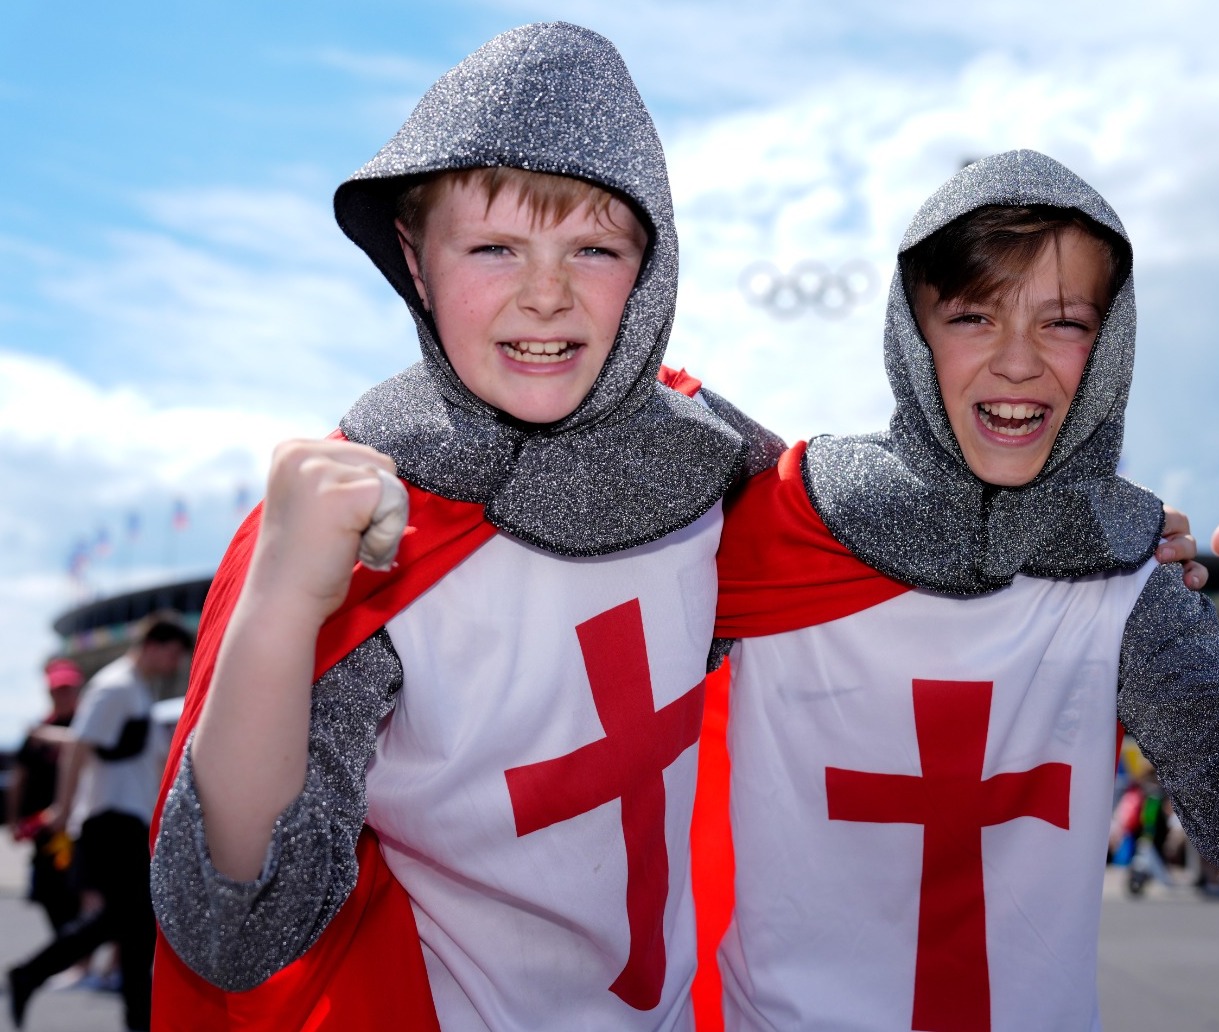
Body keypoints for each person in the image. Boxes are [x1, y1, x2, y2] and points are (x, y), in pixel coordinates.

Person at [147, 22, 793, 1032]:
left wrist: (1093, 533)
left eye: (593, 247)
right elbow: (237, 925)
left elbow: (888, 551)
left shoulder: (713, 465)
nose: (546, 291)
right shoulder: (371, 515)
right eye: (495, 246)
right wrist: (279, 607)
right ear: (414, 256)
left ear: (651, 265)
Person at [709, 150, 1219, 1029]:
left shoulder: (1128, 578)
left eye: (1063, 322)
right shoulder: (783, 525)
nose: (1019, 361)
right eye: (972, 317)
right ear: (912, 333)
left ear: (1107, 348)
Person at [8, 615, 191, 1032]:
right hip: (110, 819)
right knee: (133, 919)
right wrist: (62, 807)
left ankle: (134, 1016)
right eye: (175, 654)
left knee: (132, 923)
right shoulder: (115, 687)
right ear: (157, 646)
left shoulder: (136, 690)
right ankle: (33, 973)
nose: (175, 664)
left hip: (128, 819)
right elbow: (78, 747)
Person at [5, 659, 84, 935]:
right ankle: (63, 945)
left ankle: (74, 955)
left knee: (80, 891)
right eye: (57, 690)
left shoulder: (84, 725)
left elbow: (81, 743)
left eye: (68, 689)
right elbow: (19, 778)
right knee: (48, 890)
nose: (62, 695)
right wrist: (14, 819)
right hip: (44, 824)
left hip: (79, 825)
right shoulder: (37, 732)